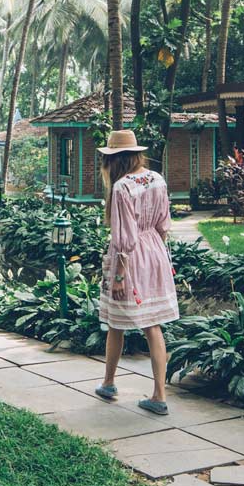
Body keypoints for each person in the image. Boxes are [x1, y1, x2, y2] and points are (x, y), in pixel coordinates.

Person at [91, 129, 178, 414]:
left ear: (114, 159)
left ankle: (109, 382)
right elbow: (164, 225)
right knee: (153, 323)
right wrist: (161, 259)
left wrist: (119, 275)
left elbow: (124, 239)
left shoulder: (122, 187)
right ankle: (159, 395)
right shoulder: (158, 179)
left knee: (117, 321)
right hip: (155, 250)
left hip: (130, 258)